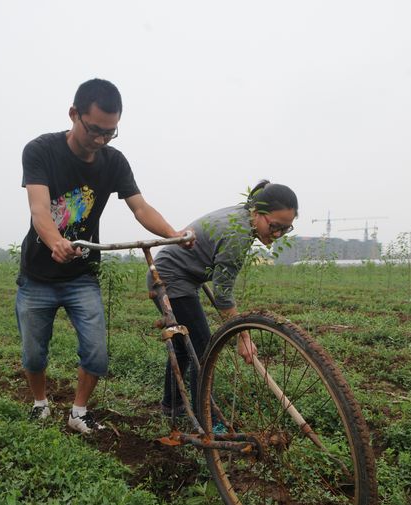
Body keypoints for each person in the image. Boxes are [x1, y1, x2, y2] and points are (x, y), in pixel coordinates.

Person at [17, 78, 187, 435]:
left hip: (81, 275)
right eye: (94, 129)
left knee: (96, 353)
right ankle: (40, 403)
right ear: (73, 114)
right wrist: (55, 242)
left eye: (110, 133)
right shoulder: (40, 150)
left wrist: (173, 234)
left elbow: (140, 208)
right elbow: (39, 210)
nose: (100, 140)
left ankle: (79, 412)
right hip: (37, 276)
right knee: (34, 353)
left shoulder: (114, 162)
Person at [147, 180, 298, 417]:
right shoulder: (238, 236)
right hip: (170, 279)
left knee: (183, 343)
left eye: (286, 229)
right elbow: (223, 294)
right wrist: (243, 337)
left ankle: (172, 405)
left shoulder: (244, 215)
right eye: (275, 226)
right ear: (258, 213)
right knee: (203, 347)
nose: (278, 234)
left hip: (181, 276)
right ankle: (206, 418)